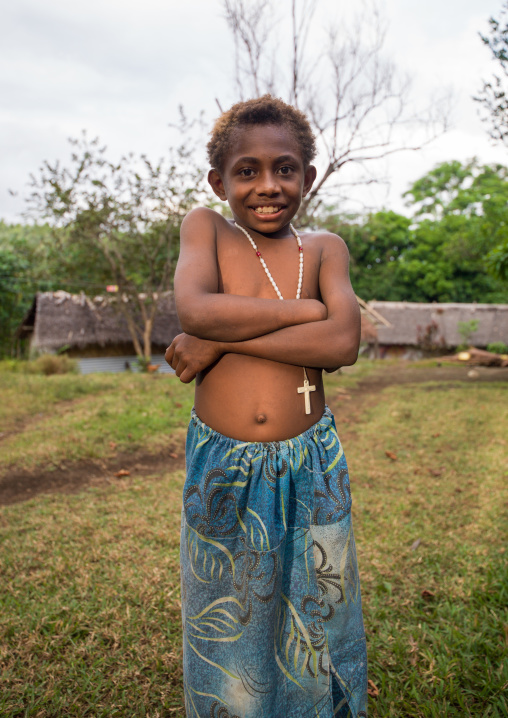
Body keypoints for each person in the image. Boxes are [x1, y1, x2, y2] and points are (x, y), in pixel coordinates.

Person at [165, 95, 368, 718]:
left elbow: (342, 343)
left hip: (311, 462)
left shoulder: (325, 248)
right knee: (229, 607)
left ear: (307, 175)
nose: (267, 186)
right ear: (218, 181)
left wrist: (219, 337)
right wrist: (306, 311)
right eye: (246, 171)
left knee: (319, 602)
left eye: (285, 168)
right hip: (225, 466)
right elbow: (196, 309)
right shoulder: (208, 228)